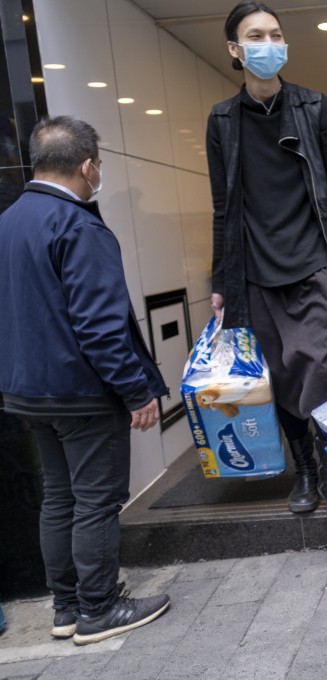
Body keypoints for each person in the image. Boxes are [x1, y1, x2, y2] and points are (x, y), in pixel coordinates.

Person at [0, 115, 171, 645]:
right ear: (87, 165)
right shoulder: (78, 226)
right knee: (95, 500)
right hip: (82, 392)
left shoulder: (8, 222)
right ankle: (99, 609)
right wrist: (136, 391)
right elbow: (99, 327)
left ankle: (67, 608)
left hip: (27, 392)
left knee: (59, 497)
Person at [206, 2, 327, 526]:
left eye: (275, 33)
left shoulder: (316, 108)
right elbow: (223, 207)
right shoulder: (222, 121)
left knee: (319, 368)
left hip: (318, 263)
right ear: (235, 49)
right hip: (256, 272)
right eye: (256, 35)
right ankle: (303, 469)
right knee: (277, 377)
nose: (268, 43)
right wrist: (221, 282)